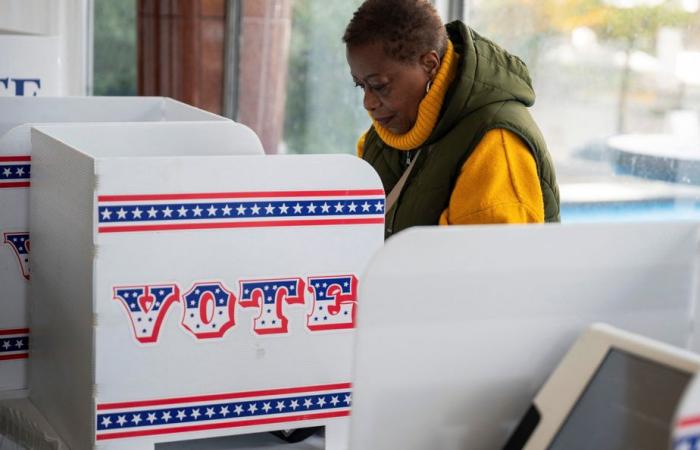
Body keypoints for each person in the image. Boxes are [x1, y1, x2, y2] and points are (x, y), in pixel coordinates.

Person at [343, 0, 560, 238]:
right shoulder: (376, 143)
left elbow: (488, 267)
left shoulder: (496, 143)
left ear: (430, 64)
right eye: (361, 85)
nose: (368, 102)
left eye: (379, 86)